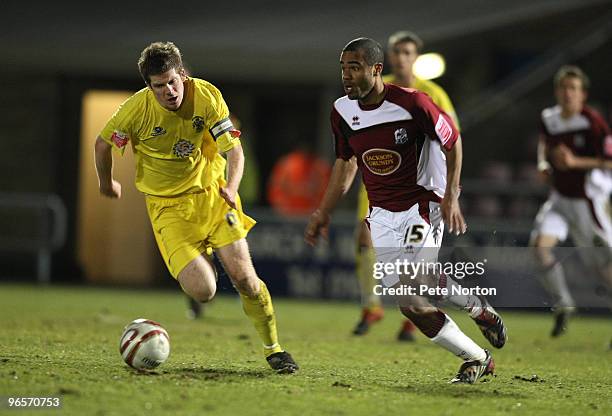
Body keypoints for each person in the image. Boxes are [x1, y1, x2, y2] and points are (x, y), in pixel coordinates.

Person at [305, 37, 506, 383]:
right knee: (410, 305)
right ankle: (477, 357)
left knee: (416, 277)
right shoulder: (342, 111)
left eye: (354, 68)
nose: (346, 76)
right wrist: (323, 211)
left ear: (376, 69)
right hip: (382, 215)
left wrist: (451, 195)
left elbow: (453, 141)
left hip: (422, 206)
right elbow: (345, 162)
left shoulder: (414, 103)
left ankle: (478, 308)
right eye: (343, 68)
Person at [94, 41, 298, 373]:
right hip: (167, 209)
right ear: (149, 87)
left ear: (183, 75)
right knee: (204, 291)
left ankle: (274, 349)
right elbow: (103, 145)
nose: (168, 91)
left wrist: (231, 187)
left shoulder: (206, 97)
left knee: (245, 278)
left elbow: (234, 150)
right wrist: (106, 182)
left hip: (212, 196)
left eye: (172, 82)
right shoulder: (135, 113)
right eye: (159, 86)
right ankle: (203, 260)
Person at [351, 31, 461, 341]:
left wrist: (451, 190)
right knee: (364, 238)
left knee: (415, 252)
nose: (401, 57)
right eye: (396, 51)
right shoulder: (376, 86)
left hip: (419, 184)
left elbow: (453, 139)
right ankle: (371, 307)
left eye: (407, 52)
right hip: (379, 178)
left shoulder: (434, 94)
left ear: (415, 56)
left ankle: (413, 319)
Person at [531, 65, 612, 337]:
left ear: (583, 94)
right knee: (539, 247)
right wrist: (543, 163)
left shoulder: (593, 123)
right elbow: (544, 142)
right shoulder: (549, 118)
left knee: (601, 268)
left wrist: (576, 162)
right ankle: (564, 303)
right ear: (557, 91)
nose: (568, 93)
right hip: (559, 199)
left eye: (573, 89)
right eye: (564, 88)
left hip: (586, 203)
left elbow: (609, 162)